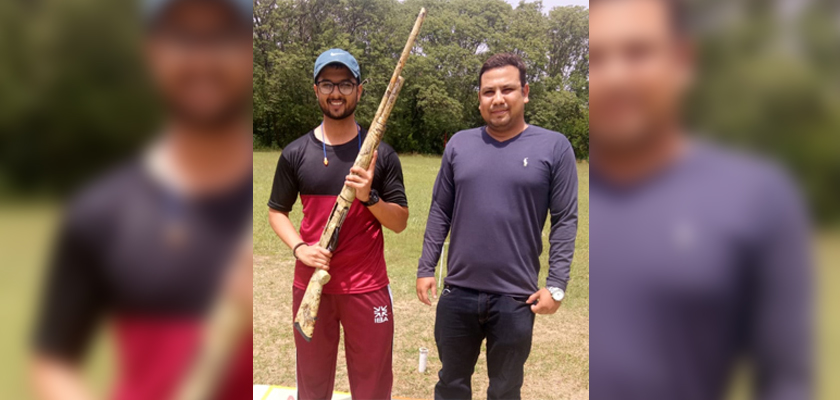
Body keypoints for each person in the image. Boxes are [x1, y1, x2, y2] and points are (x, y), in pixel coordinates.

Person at [30, 0, 254, 399]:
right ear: (150, 55)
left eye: (221, 37)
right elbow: (54, 360)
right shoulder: (100, 210)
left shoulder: (269, 200)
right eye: (182, 38)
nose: (201, 58)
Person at [589, 0, 811, 399]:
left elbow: (785, 380)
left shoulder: (757, 197)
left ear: (682, 60)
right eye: (596, 58)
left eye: (638, 52)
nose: (615, 76)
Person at [416, 53, 579, 400]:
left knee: (506, 390)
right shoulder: (459, 144)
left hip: (516, 297)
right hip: (458, 293)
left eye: (507, 89)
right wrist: (426, 266)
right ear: (479, 98)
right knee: (451, 385)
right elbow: (439, 210)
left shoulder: (553, 146)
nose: (498, 98)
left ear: (525, 92)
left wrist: (557, 285)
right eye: (488, 91)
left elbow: (565, 219)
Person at [267, 48, 409, 400]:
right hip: (311, 285)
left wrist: (369, 197)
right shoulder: (295, 153)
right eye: (327, 84)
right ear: (315, 90)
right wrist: (300, 248)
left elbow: (400, 222)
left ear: (360, 90)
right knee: (312, 386)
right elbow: (276, 212)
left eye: (345, 83)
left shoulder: (381, 155)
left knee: (373, 387)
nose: (336, 92)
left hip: (367, 287)